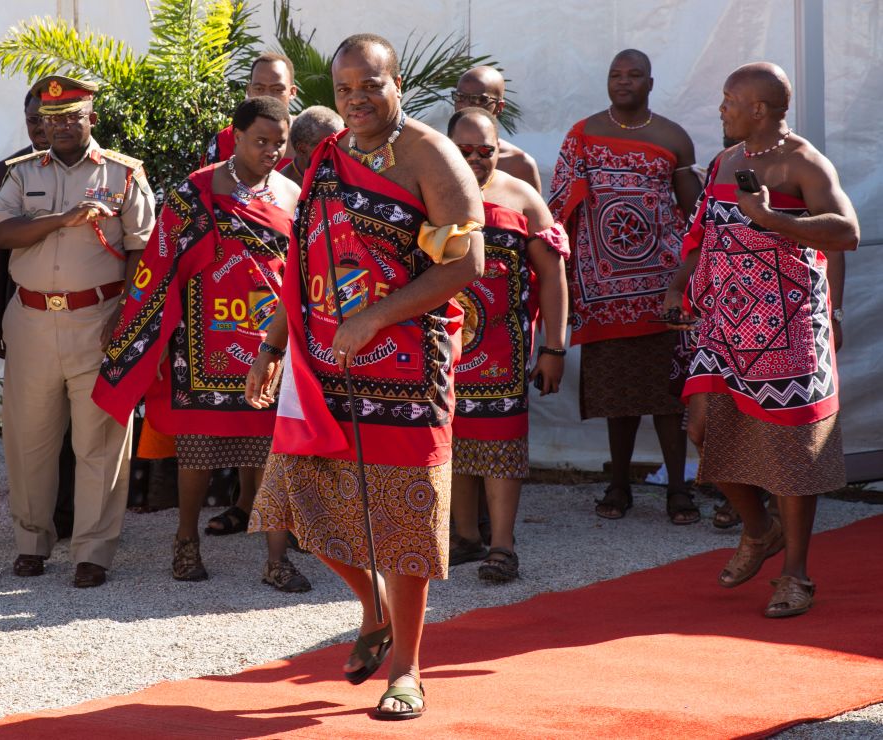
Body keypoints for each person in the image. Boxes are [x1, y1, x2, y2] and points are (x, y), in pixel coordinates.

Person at [246, 34, 484, 720]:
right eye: (344, 89)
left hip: (411, 367)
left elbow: (465, 265)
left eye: (369, 86)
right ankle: (373, 608)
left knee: (403, 521)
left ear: (398, 82)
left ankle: (406, 670)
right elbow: (305, 262)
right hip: (324, 362)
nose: (355, 100)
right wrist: (272, 345)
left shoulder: (430, 156)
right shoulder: (328, 155)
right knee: (291, 500)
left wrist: (376, 316)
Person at [92, 96, 309, 591]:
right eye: (261, 141)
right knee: (197, 452)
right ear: (236, 136)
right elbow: (159, 263)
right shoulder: (197, 190)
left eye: (280, 143)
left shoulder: (293, 194)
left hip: (267, 341)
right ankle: (185, 543)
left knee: (274, 452)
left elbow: (301, 270)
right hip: (201, 341)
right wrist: (137, 324)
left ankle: (277, 559)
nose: (272, 152)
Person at [679, 63, 858, 618]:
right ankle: (759, 530)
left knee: (792, 453)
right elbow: (701, 232)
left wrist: (774, 218)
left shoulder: (803, 161)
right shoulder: (726, 161)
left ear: (759, 109)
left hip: (790, 324)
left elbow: (846, 231)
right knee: (704, 428)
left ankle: (796, 575)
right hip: (724, 324)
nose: (721, 108)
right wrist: (678, 285)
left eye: (730, 99)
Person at [0, 75, 156, 588]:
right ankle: (32, 543)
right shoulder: (20, 174)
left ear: (91, 119)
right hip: (32, 319)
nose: (59, 126)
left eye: (70, 116)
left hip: (97, 321)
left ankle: (93, 551)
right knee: (29, 439)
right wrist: (61, 219)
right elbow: (0, 233)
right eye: (50, 117)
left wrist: (124, 317)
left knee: (99, 440)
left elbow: (143, 251)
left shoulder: (124, 175)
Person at [548, 49, 702, 524]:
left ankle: (679, 489)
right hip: (605, 292)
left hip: (662, 290)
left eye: (634, 75)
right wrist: (565, 277)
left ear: (650, 83)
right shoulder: (584, 133)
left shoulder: (673, 136)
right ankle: (619, 486)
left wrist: (690, 278)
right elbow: (560, 207)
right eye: (616, 74)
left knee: (668, 395)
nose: (624, 82)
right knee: (619, 398)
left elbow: (696, 215)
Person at [445, 108, 569, 582]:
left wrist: (554, 349)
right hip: (446, 348)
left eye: (485, 151)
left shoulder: (523, 198)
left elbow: (553, 276)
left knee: (500, 444)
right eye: (464, 151)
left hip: (504, 348)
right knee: (451, 440)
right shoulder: (429, 192)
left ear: (500, 149)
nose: (475, 160)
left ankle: (503, 545)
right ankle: (464, 537)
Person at [0, 92, 77, 539]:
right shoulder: (10, 171)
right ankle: (38, 522)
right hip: (28, 314)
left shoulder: (103, 167)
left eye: (47, 120)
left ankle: (71, 515)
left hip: (83, 319)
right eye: (33, 121)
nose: (41, 129)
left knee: (81, 427)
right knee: (36, 428)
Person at [201, 53, 297, 169]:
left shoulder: (310, 139)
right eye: (259, 89)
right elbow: (205, 183)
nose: (267, 96)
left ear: (292, 92)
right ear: (249, 90)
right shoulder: (224, 140)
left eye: (277, 89)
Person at [451, 67, 541, 192]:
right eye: (460, 97)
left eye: (479, 99)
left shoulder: (519, 165)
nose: (466, 105)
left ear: (499, 107)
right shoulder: (435, 153)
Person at [278, 105, 343, 186]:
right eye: (327, 145)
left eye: (339, 143)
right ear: (302, 149)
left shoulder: (348, 175)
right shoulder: (280, 189)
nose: (336, 151)